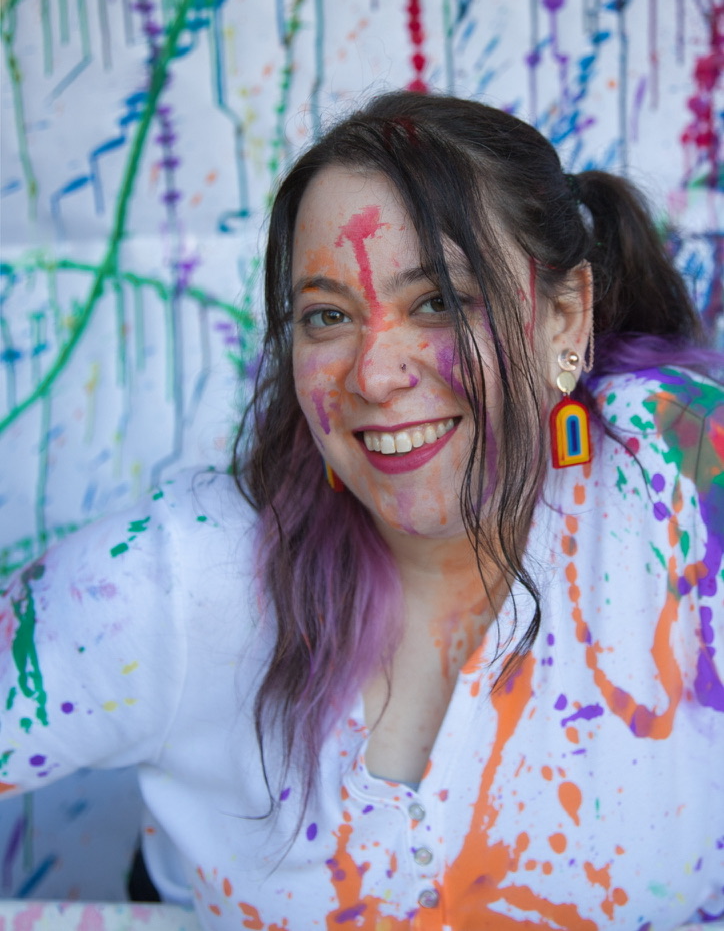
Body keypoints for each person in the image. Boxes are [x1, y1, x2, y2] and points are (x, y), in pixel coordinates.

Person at [1, 92, 722, 928]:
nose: (375, 376)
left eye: (442, 302)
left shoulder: (679, 480)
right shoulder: (183, 576)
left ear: (566, 316)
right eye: (328, 316)